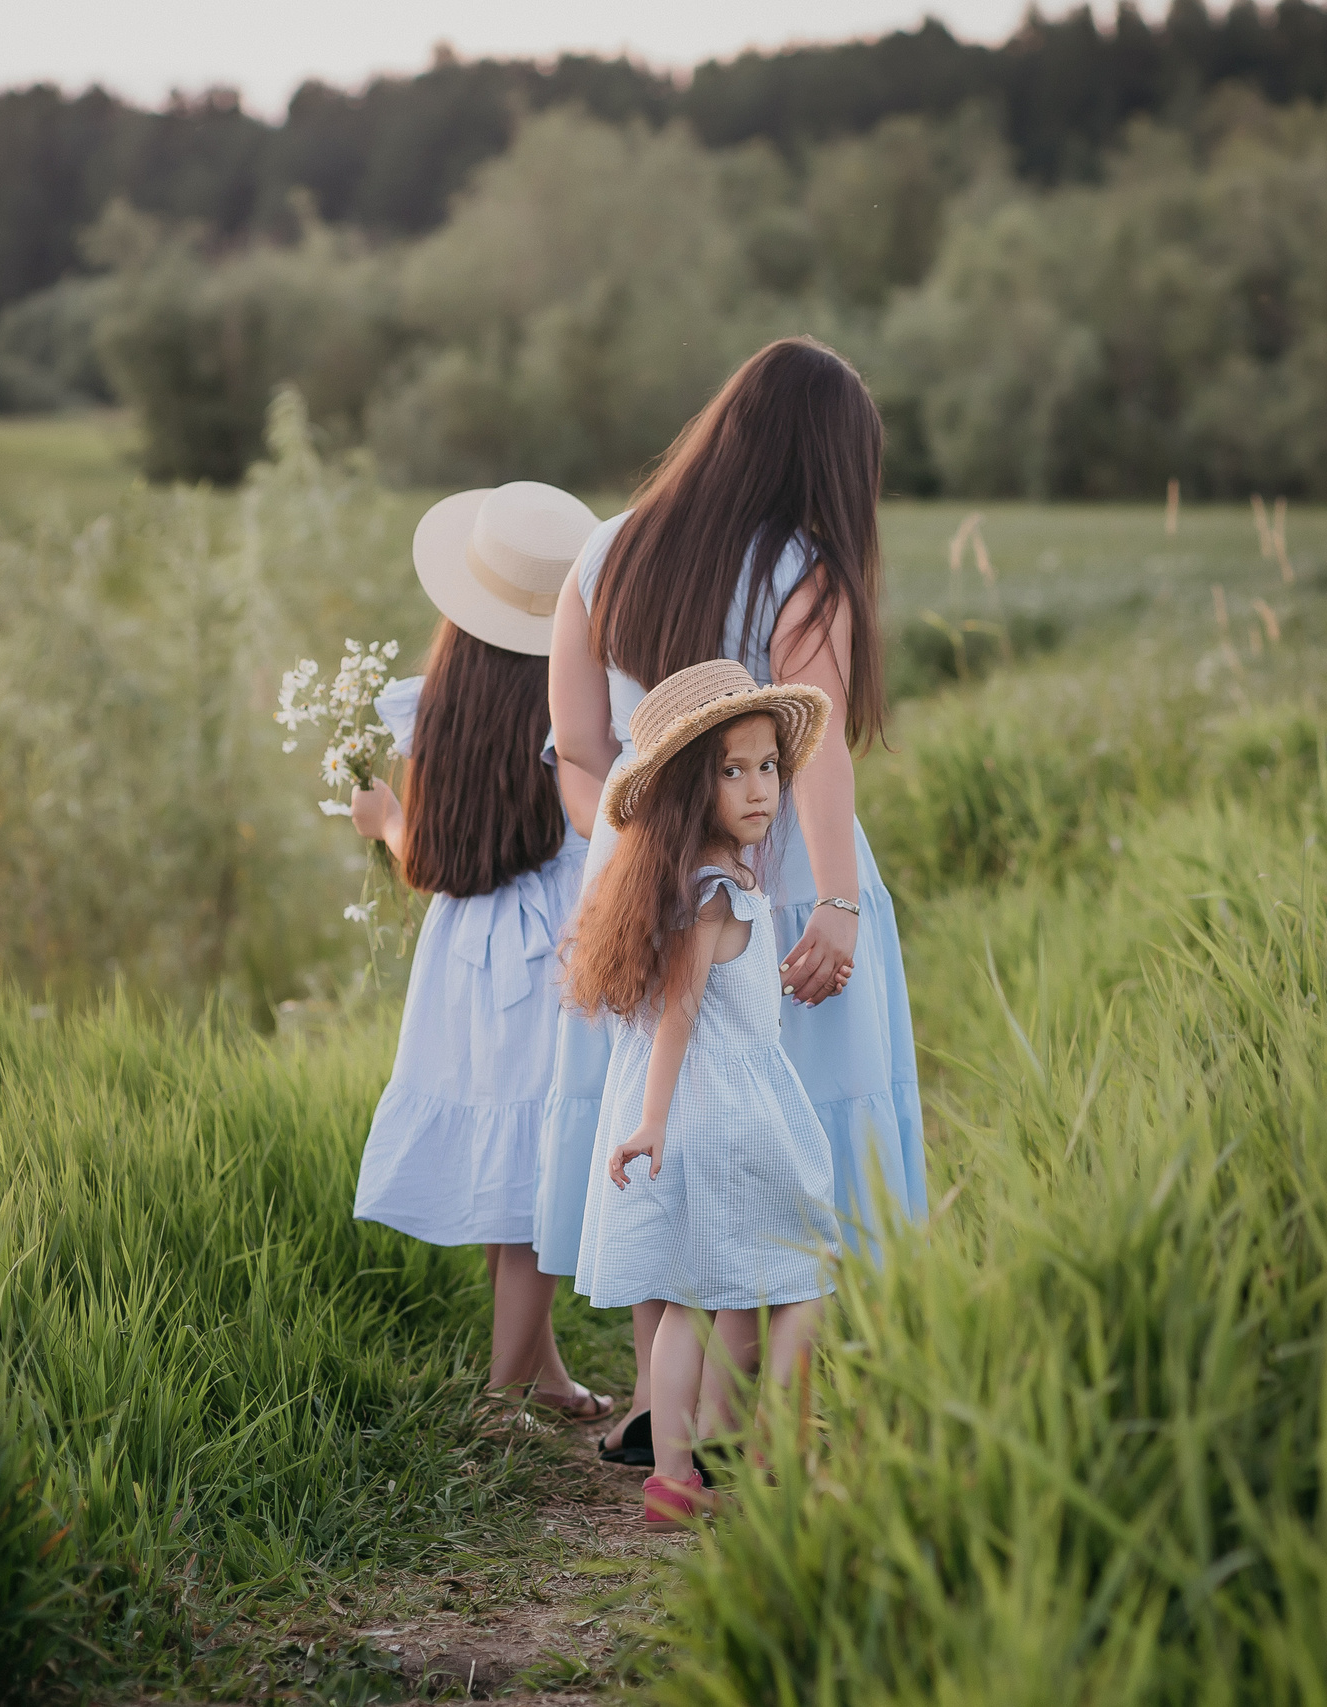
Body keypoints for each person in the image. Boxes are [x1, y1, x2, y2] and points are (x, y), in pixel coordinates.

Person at [538, 336, 926, 1466]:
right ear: (825, 460)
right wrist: (839, 905)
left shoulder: (601, 555)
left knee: (677, 1135)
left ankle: (666, 1408)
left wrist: (631, 865)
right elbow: (821, 758)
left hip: (640, 885)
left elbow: (577, 750)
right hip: (783, 884)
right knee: (783, 1138)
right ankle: (719, 1415)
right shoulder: (805, 563)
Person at [349, 480, 614, 1422]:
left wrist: (385, 819)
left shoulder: (440, 704)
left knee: (515, 1159)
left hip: (468, 956)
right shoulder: (578, 709)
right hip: (550, 950)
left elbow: (436, 861)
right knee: (531, 1164)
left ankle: (534, 1375)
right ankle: (504, 1396)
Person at [563, 660, 842, 1527]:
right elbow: (679, 1010)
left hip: (698, 1113)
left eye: (768, 767)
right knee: (806, 1274)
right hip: (732, 1109)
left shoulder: (696, 881)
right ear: (693, 786)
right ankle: (778, 1450)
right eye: (732, 770)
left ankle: (674, 1477)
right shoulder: (720, 893)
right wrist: (651, 1121)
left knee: (688, 1296)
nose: (760, 788)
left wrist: (655, 1120)